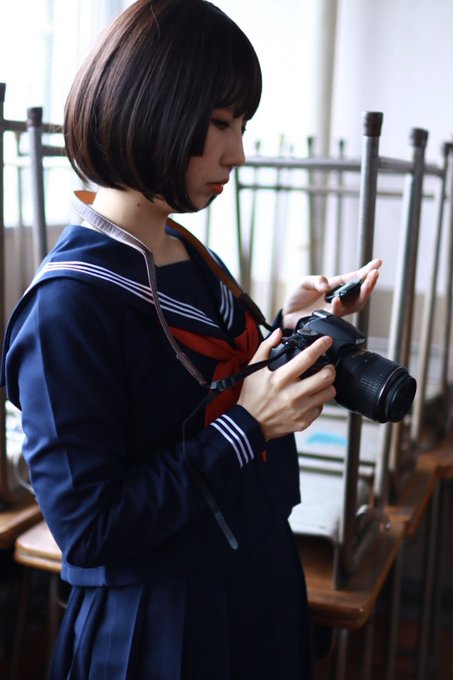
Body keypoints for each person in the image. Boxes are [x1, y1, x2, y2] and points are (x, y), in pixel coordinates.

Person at [1, 1, 381, 678]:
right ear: (151, 108)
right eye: (219, 123)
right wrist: (246, 427)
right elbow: (88, 528)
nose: (237, 153)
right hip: (161, 621)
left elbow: (192, 392)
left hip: (256, 573)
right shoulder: (68, 307)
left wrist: (286, 327)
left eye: (241, 125)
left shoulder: (182, 247)